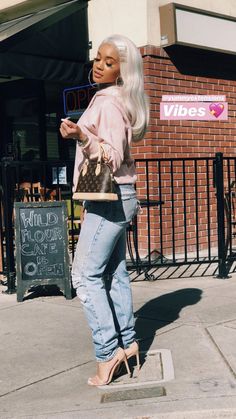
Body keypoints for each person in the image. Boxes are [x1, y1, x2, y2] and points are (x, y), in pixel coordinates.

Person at [60, 34, 149, 386]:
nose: (99, 65)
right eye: (99, 58)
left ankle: (107, 352)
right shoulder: (117, 99)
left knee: (83, 276)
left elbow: (112, 154)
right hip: (118, 197)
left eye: (109, 62)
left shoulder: (109, 102)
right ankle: (127, 344)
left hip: (110, 198)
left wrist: (82, 136)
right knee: (113, 274)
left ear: (123, 71)